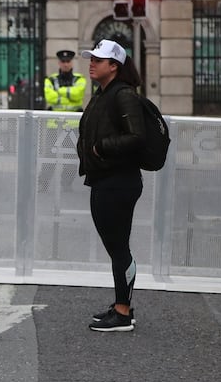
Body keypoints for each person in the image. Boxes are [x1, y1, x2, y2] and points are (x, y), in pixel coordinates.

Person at [76, 39, 145, 332]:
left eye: (98, 60)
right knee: (116, 246)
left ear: (114, 66)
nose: (91, 63)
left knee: (118, 248)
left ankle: (123, 311)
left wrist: (101, 148)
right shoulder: (103, 93)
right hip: (104, 179)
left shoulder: (123, 95)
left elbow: (137, 137)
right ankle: (121, 304)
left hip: (119, 180)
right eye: (91, 58)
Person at [40, 49, 88, 193]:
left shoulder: (80, 79)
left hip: (73, 125)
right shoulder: (50, 79)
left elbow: (78, 94)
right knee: (49, 156)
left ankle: (66, 183)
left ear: (72, 62)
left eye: (68, 61)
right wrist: (69, 93)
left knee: (72, 157)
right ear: (59, 63)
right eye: (63, 61)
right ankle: (43, 183)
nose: (66, 64)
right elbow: (50, 98)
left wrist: (59, 92)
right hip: (54, 124)